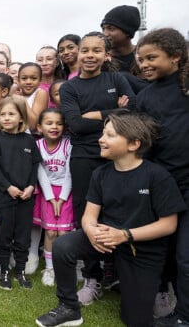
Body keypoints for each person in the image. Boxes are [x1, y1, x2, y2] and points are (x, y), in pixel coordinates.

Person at [35, 111, 185, 327]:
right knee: (63, 245)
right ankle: (69, 308)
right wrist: (90, 231)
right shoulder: (101, 174)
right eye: (103, 134)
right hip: (106, 240)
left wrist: (125, 235)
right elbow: (89, 215)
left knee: (135, 320)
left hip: (141, 249)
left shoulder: (157, 176)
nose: (101, 139)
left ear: (133, 144)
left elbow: (169, 224)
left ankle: (140, 290)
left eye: (109, 135)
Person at [60, 31, 136, 305]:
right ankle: (92, 278)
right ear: (78, 55)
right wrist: (115, 113)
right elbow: (76, 125)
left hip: (120, 158)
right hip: (85, 157)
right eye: (85, 50)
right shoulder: (69, 88)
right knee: (86, 216)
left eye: (96, 51)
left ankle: (116, 273)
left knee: (121, 213)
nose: (89, 55)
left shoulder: (117, 79)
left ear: (106, 55)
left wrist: (97, 115)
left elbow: (135, 112)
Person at [134, 28, 189, 325]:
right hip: (163, 186)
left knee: (186, 257)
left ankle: (183, 317)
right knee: (163, 251)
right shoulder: (144, 97)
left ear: (176, 56)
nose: (144, 64)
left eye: (152, 57)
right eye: (141, 59)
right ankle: (161, 295)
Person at [0, 96, 41, 290]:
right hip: (3, 197)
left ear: (21, 117)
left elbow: (35, 165)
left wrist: (31, 187)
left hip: (25, 198)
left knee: (23, 236)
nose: (7, 118)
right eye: (3, 114)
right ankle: (4, 270)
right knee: (4, 234)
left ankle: (20, 270)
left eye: (11, 114)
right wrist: (8, 187)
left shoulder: (28, 140)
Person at [33, 108, 74, 287]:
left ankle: (65, 267)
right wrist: (51, 198)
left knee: (64, 233)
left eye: (59, 123)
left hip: (66, 192)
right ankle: (49, 268)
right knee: (50, 232)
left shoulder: (68, 144)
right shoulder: (37, 145)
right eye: (49, 123)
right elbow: (40, 173)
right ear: (39, 127)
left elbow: (70, 174)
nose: (54, 126)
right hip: (46, 191)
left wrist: (62, 198)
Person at [17, 63, 49, 132]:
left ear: (40, 80)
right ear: (18, 80)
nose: (28, 82)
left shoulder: (40, 93)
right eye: (24, 78)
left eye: (33, 78)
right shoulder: (15, 94)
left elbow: (33, 125)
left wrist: (23, 101)